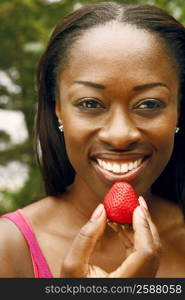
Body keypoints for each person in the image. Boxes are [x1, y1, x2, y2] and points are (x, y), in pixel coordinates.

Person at [0, 1, 185, 278]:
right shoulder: (10, 248)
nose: (120, 135)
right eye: (90, 103)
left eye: (148, 104)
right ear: (58, 109)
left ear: (179, 112)